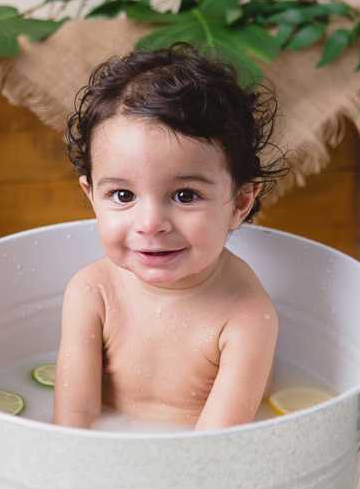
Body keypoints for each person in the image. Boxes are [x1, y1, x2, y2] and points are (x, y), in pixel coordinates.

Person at [53, 43, 287, 431]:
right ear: (92, 196)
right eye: (123, 195)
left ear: (239, 202)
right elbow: (73, 421)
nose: (151, 224)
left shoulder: (245, 316)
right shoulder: (92, 291)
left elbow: (214, 449)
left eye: (185, 195)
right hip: (104, 454)